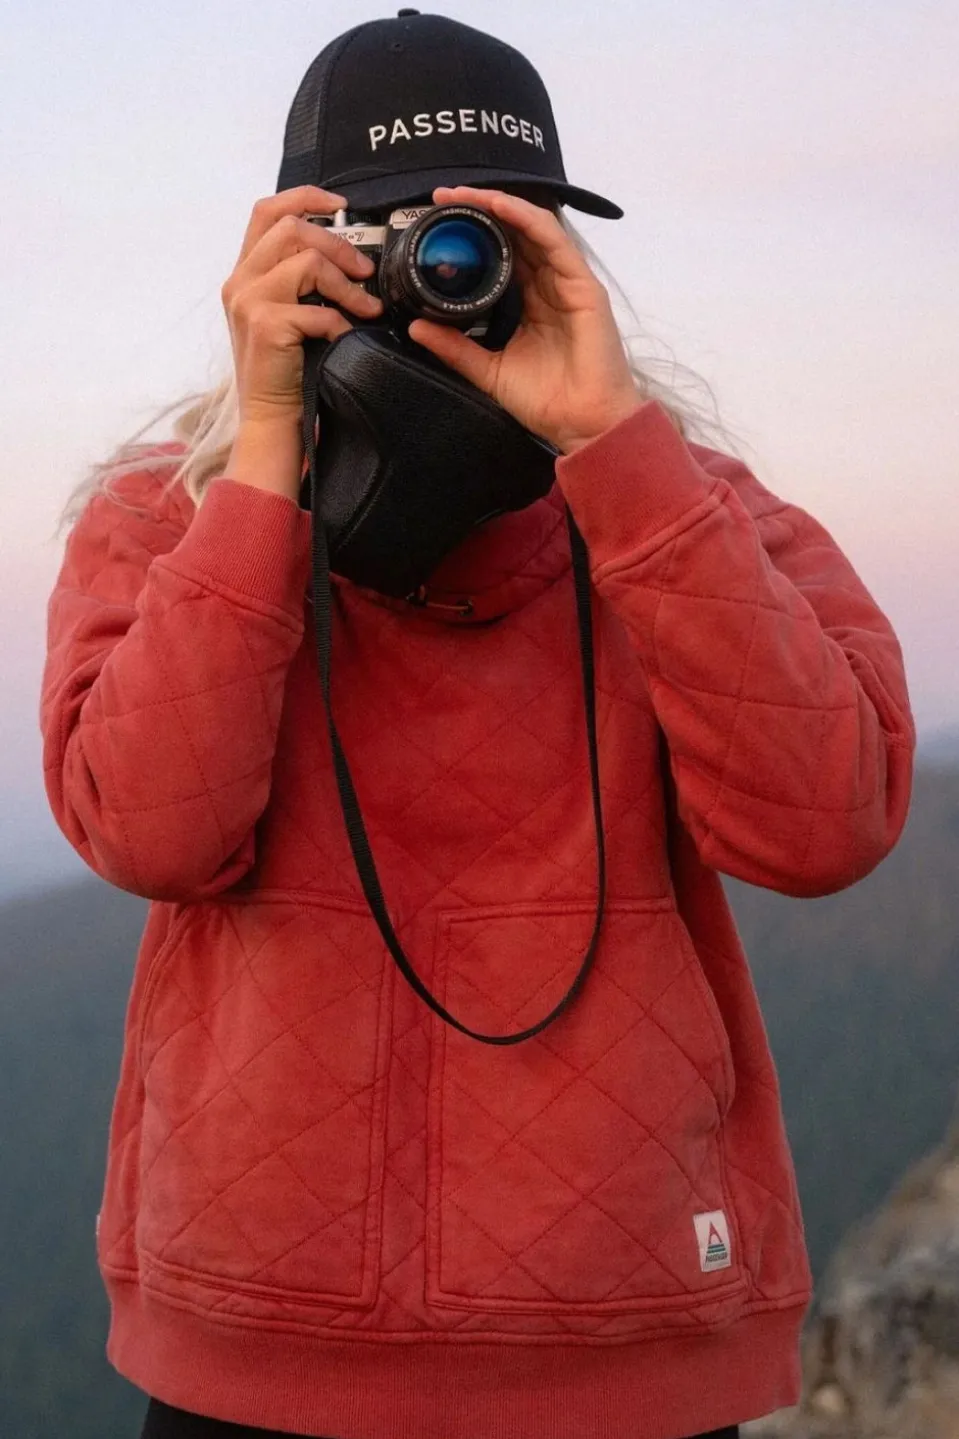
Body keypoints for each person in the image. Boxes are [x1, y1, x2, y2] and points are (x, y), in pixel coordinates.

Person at [41, 11, 916, 1439]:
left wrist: (618, 456)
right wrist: (264, 463)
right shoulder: (171, 518)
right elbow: (153, 831)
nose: (438, 278)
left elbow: (826, 825)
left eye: (484, 236)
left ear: (558, 253)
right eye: (384, 243)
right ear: (290, 255)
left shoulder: (687, 513)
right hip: (258, 1350)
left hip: (619, 1346)